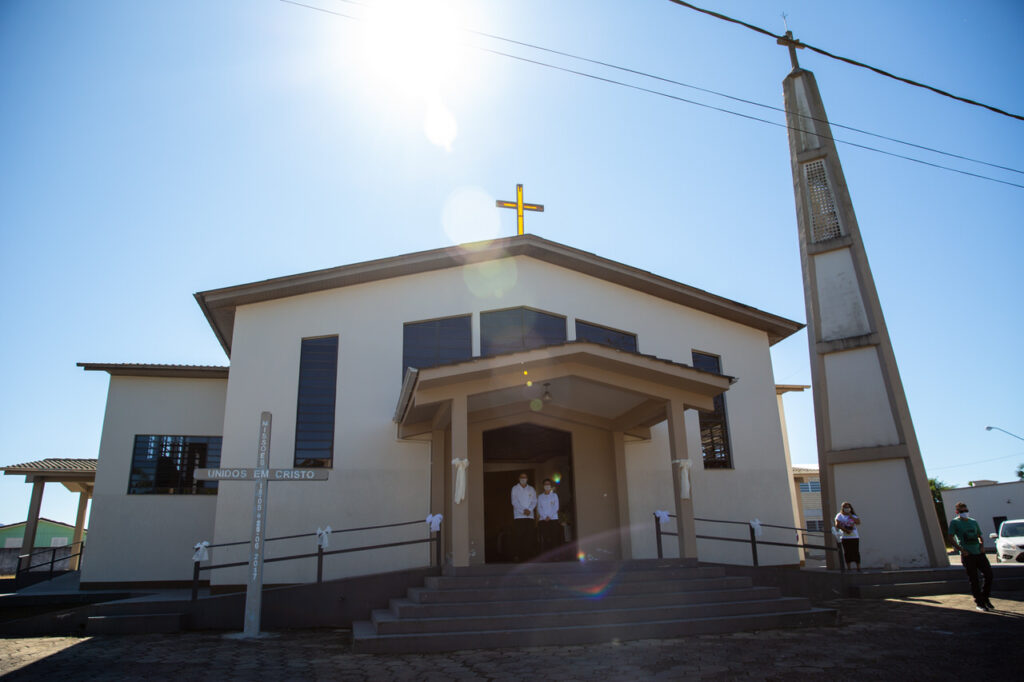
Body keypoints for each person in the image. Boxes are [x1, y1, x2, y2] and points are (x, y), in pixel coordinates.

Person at [948, 502, 994, 611]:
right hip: (968, 555)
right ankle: (979, 602)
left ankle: (985, 597)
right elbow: (950, 537)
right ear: (957, 512)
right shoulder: (955, 522)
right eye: (962, 511)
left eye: (966, 511)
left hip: (979, 553)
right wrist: (961, 550)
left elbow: (979, 536)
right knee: (974, 579)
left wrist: (982, 545)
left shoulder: (973, 522)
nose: (965, 513)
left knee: (989, 575)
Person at [510, 472, 537, 562]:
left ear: (527, 479)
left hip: (529, 516)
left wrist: (529, 509)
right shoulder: (515, 488)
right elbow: (514, 501)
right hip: (519, 516)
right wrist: (523, 511)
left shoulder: (531, 489)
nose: (523, 479)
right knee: (519, 536)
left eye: (525, 477)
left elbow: (534, 501)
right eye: (521, 477)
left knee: (529, 537)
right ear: (519, 478)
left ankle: (528, 556)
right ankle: (518, 556)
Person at [834, 501, 861, 571]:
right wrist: (846, 530)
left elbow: (858, 522)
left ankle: (858, 567)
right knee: (847, 552)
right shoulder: (839, 515)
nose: (847, 508)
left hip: (854, 537)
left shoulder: (853, 515)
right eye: (845, 507)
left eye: (848, 507)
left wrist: (851, 516)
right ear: (842, 508)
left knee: (856, 552)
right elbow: (837, 525)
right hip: (845, 537)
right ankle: (849, 567)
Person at [536, 478, 561, 558]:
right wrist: (544, 516)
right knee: (545, 538)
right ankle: (546, 556)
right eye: (545, 484)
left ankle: (555, 556)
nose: (547, 486)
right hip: (543, 520)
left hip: (553, 519)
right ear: (543, 486)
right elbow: (539, 508)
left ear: (551, 485)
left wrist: (549, 516)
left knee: (554, 538)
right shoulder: (540, 497)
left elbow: (556, 507)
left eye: (548, 484)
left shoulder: (554, 495)